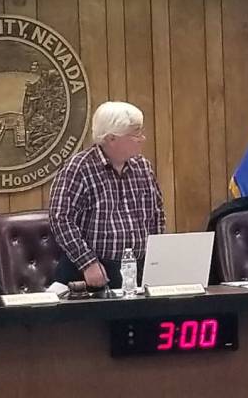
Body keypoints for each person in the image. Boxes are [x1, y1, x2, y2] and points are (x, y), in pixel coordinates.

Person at [49, 101, 165, 289]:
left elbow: (157, 214)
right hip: (92, 271)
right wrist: (87, 262)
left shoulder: (143, 166)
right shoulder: (79, 168)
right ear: (111, 139)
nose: (142, 138)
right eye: (135, 134)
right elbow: (60, 219)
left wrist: (156, 259)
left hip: (137, 268)